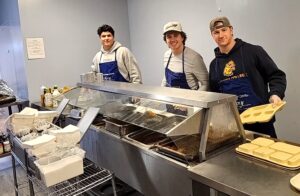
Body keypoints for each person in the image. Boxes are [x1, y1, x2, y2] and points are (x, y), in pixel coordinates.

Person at [208, 16, 287, 138]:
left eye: (224, 30)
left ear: (231, 30)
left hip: (261, 123)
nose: (221, 35)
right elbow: (215, 95)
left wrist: (275, 94)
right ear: (212, 36)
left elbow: (276, 76)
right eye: (216, 32)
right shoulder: (214, 65)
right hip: (234, 126)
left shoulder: (253, 51)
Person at [161, 21, 209, 91]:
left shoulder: (194, 57)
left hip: (190, 100)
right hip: (171, 100)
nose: (172, 39)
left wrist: (195, 99)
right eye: (169, 37)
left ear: (182, 37)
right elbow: (165, 79)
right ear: (165, 40)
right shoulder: (166, 55)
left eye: (175, 35)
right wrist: (161, 94)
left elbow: (206, 84)